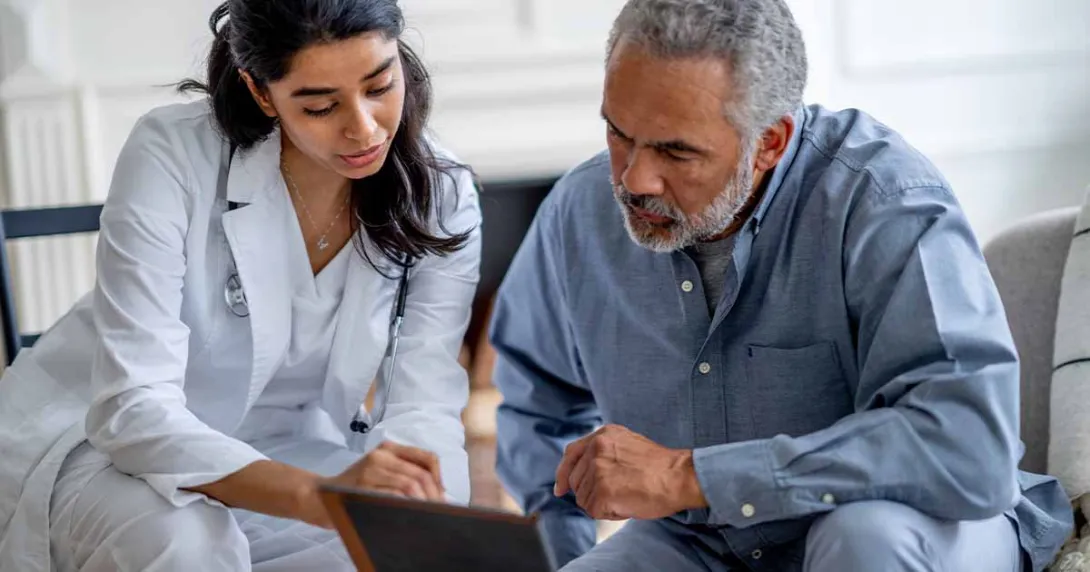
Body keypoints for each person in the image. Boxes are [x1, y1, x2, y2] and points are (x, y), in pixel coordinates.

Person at [489, 1, 1073, 571]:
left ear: (769, 141)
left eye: (676, 151)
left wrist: (689, 477)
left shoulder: (883, 199)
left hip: (903, 526)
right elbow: (537, 399)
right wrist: (566, 549)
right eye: (619, 132)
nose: (635, 178)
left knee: (863, 536)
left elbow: (969, 447)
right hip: (706, 544)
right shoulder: (580, 211)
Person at [0, 0, 480, 570]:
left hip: (289, 444)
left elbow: (424, 402)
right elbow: (132, 408)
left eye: (380, 85)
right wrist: (312, 497)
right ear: (260, 92)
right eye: (321, 105)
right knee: (186, 542)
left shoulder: (440, 194)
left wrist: (421, 508)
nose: (364, 127)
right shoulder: (171, 153)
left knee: (391, 548)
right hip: (103, 442)